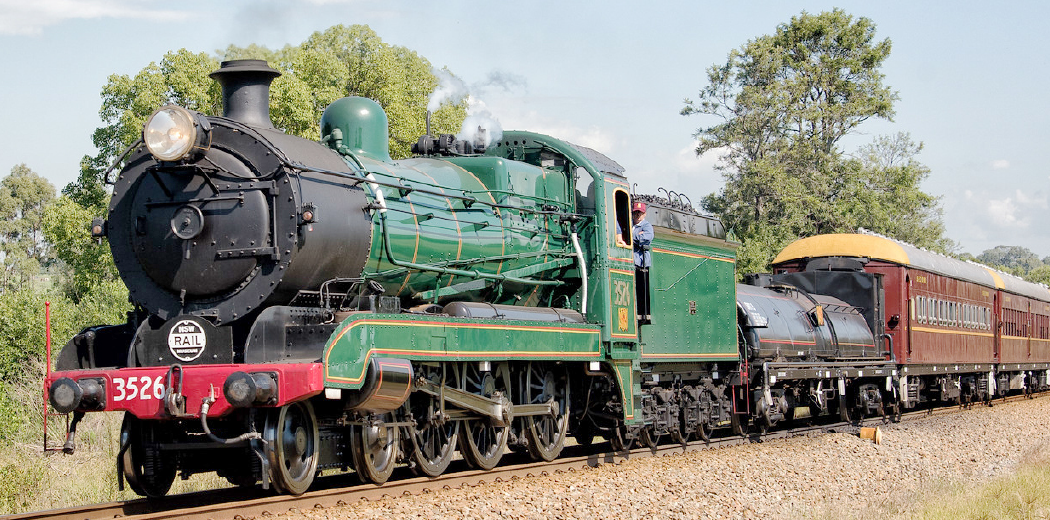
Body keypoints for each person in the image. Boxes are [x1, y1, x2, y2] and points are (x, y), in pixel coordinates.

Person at [632, 201, 653, 324]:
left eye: (640, 213)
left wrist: (633, 235)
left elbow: (647, 237)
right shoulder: (631, 225)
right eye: (636, 213)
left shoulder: (647, 226)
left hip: (641, 260)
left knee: (642, 289)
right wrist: (637, 235)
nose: (638, 215)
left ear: (644, 214)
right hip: (632, 259)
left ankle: (643, 315)